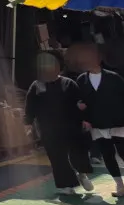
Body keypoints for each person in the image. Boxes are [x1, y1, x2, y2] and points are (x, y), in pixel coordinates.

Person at [24, 51, 94, 195]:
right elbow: (30, 105)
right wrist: (28, 123)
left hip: (71, 125)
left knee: (77, 152)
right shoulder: (37, 86)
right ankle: (67, 185)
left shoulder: (68, 83)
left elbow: (80, 102)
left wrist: (86, 118)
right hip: (48, 128)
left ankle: (82, 174)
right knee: (57, 157)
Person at [74, 41, 124, 197]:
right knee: (108, 155)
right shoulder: (81, 80)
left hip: (120, 124)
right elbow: (79, 101)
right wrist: (82, 113)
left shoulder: (114, 77)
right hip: (98, 125)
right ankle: (120, 187)